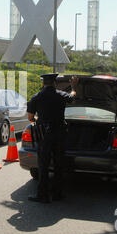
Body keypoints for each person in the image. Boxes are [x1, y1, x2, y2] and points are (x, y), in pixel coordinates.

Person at [26, 73, 79, 203]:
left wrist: (40, 119)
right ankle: (57, 194)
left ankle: (42, 195)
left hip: (44, 134)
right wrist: (73, 86)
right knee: (58, 163)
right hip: (60, 133)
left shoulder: (36, 97)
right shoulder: (61, 95)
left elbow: (30, 117)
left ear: (43, 83)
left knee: (43, 165)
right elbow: (72, 96)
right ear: (55, 83)